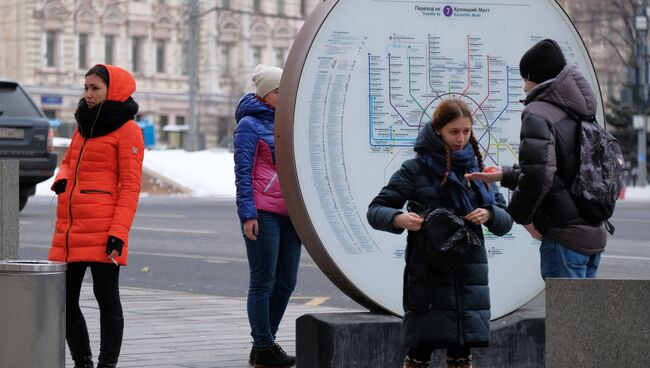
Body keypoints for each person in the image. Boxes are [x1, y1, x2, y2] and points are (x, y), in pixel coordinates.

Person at [367, 98, 513, 368]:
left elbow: (505, 220)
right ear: (437, 131)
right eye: (453, 132)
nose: (461, 139)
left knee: (461, 356)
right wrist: (398, 218)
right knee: (419, 354)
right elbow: (376, 210)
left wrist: (490, 214)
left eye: (466, 132)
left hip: (469, 277)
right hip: (428, 277)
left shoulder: (477, 168)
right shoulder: (416, 169)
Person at [465, 39, 607, 279]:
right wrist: (506, 175)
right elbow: (563, 169)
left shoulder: (538, 112)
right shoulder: (581, 109)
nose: (524, 88)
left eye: (525, 78)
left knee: (566, 316)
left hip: (564, 238)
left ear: (536, 76)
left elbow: (540, 175)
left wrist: (522, 217)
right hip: (593, 233)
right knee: (583, 316)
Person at [48, 64, 144, 368]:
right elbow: (69, 161)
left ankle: (106, 364)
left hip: (104, 229)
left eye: (95, 88)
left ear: (112, 90)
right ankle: (82, 361)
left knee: (107, 299)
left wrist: (119, 231)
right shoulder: (83, 124)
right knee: (63, 301)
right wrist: (62, 177)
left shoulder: (128, 130)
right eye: (86, 88)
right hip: (70, 226)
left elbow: (130, 186)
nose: (88, 95)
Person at [233, 64, 301, 368]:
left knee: (286, 281)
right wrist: (248, 214)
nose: (284, 95)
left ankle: (264, 344)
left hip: (292, 215)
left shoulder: (289, 121)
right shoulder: (248, 125)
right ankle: (263, 343)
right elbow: (243, 174)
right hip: (264, 213)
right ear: (265, 94)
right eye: (278, 91)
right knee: (264, 281)